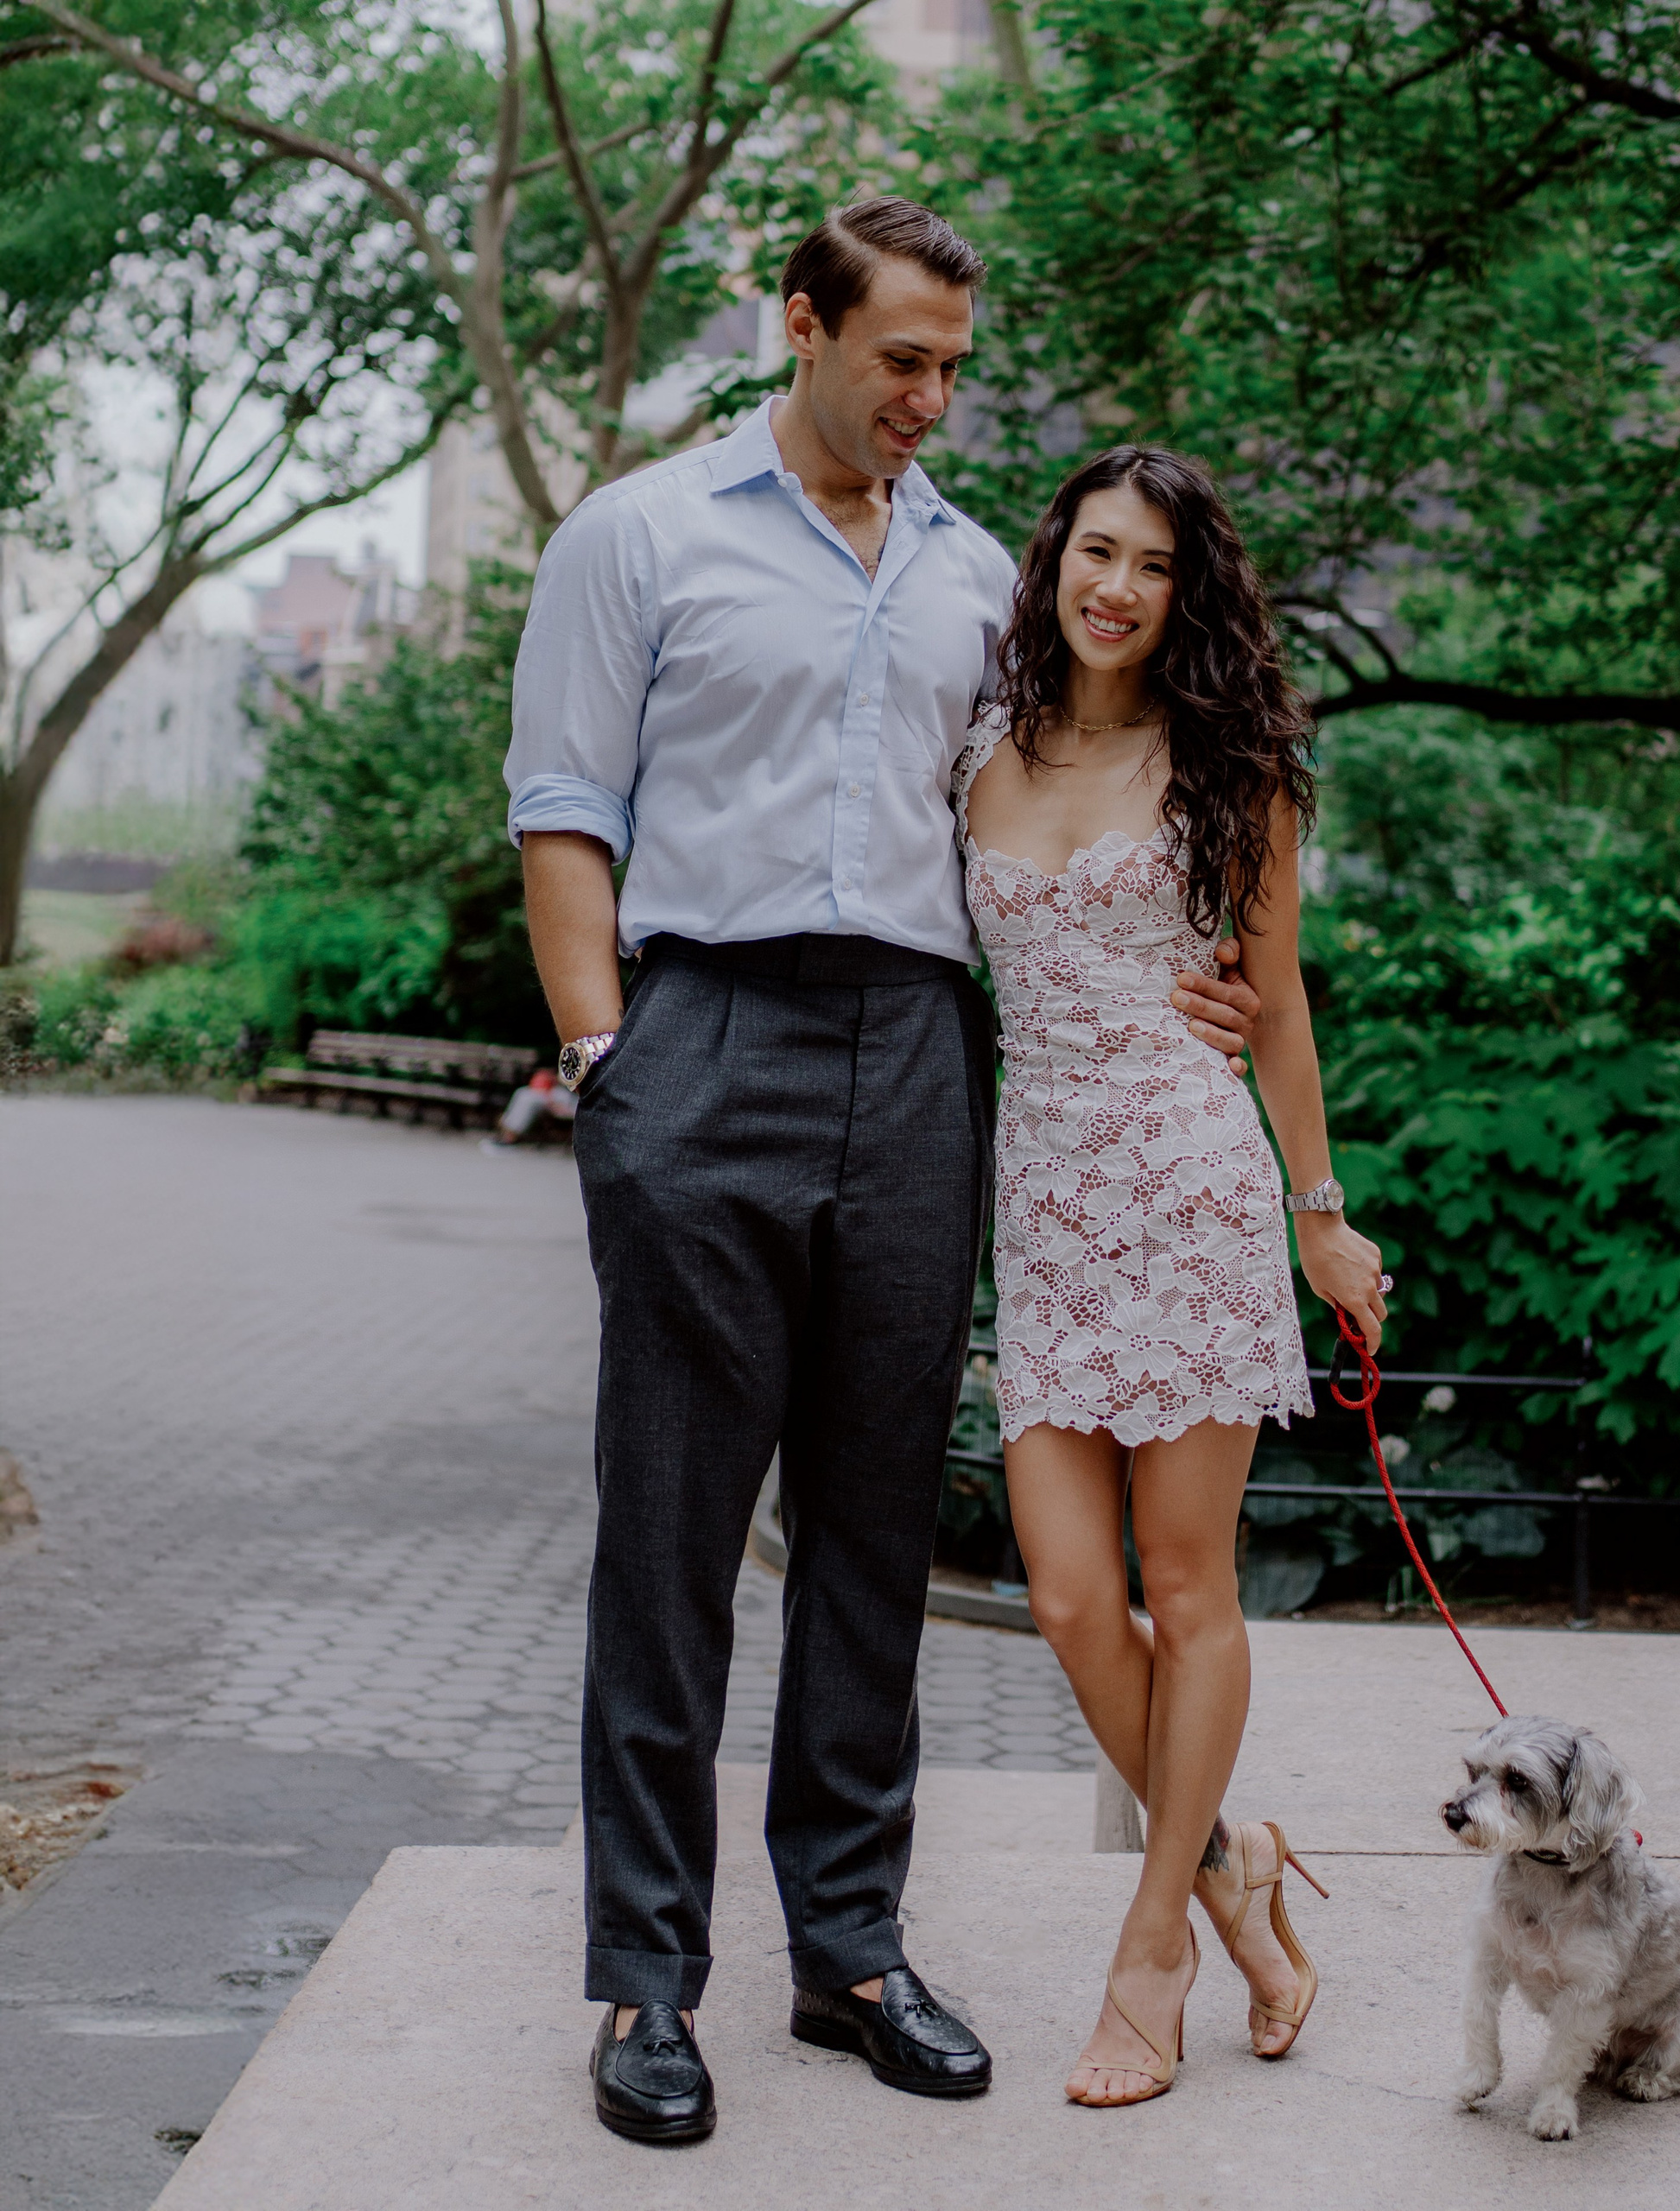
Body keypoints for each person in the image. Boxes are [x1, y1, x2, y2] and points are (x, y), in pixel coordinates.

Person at [502, 200, 1260, 2143]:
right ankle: (644, 1982)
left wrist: (1206, 974)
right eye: (900, 357)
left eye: (952, 365)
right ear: (803, 324)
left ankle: (846, 1944)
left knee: (871, 1535)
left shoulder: (973, 578)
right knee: (672, 1534)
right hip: (703, 1038)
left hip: (920, 1061)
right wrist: (608, 1061)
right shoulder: (640, 534)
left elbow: (1092, 772)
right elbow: (565, 809)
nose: (929, 396)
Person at [956, 446, 1389, 2106]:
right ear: (1054, 561)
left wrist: (1321, 1213)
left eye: (1151, 566)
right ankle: (1238, 1867)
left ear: (1185, 592)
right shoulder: (980, 754)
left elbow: (1274, 1005)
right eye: (1095, 553)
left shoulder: (1232, 764)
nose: (1117, 588)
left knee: (1186, 1590)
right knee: (1069, 1598)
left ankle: (1154, 1950)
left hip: (1193, 1196)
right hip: (1047, 1208)